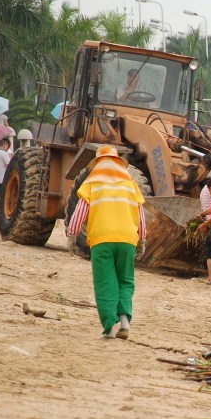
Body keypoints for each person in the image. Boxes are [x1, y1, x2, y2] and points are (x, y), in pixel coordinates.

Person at [66, 145, 147, 339]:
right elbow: (141, 216)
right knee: (125, 280)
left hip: (101, 240)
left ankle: (110, 327)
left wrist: (72, 236)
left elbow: (79, 214)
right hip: (127, 240)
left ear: (98, 164)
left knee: (105, 282)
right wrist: (142, 240)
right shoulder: (131, 186)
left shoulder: (92, 185)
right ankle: (125, 322)